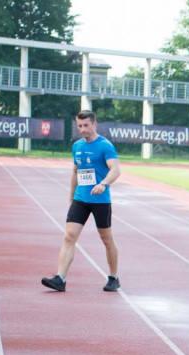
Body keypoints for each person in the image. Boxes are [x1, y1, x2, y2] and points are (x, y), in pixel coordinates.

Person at [41, 110, 122, 293]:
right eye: (79, 126)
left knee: (106, 238)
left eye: (86, 125)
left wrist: (103, 184)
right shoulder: (77, 146)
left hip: (100, 199)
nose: (82, 129)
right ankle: (60, 278)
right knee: (69, 236)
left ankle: (113, 277)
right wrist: (71, 196)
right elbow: (75, 172)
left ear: (94, 124)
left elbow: (115, 169)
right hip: (80, 199)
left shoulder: (105, 146)